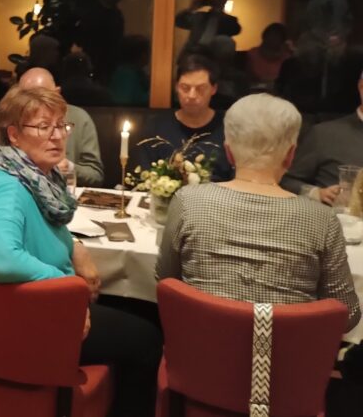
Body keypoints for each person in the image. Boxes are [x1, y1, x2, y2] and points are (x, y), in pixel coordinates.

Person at [0, 86, 161, 417]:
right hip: (20, 325)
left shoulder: (32, 176)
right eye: (43, 127)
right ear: (14, 135)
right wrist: (68, 291)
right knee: (147, 339)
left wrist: (74, 247)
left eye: (61, 125)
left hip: (22, 310)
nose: (57, 136)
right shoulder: (8, 188)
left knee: (127, 312)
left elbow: (41, 228)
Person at [158, 93, 360, 330]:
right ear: (290, 155)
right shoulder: (322, 219)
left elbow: (166, 280)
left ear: (228, 152)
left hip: (199, 350)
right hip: (288, 354)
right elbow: (347, 315)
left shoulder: (188, 201)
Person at [135, 53, 234, 182]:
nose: (192, 95)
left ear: (213, 89)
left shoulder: (229, 128)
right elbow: (145, 178)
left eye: (200, 88)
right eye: (185, 88)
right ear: (176, 87)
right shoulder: (155, 127)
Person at [281, 70, 363, 204]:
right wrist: (316, 193)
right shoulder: (324, 134)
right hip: (335, 215)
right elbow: (286, 180)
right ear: (361, 87)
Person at [18, 67, 105, 187]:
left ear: (57, 93)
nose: (35, 104)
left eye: (42, 96)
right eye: (28, 98)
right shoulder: (14, 120)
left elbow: (95, 175)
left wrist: (69, 168)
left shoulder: (79, 118)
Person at [175, 0, 241, 54]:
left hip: (214, 54)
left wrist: (220, 14)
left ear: (226, 0)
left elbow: (236, 30)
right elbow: (178, 22)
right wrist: (190, 9)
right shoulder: (199, 16)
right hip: (194, 52)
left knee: (228, 42)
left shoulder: (230, 20)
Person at [246, 22, 293, 88]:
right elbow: (249, 77)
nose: (272, 38)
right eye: (271, 35)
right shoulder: (252, 54)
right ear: (264, 36)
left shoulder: (287, 57)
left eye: (277, 36)